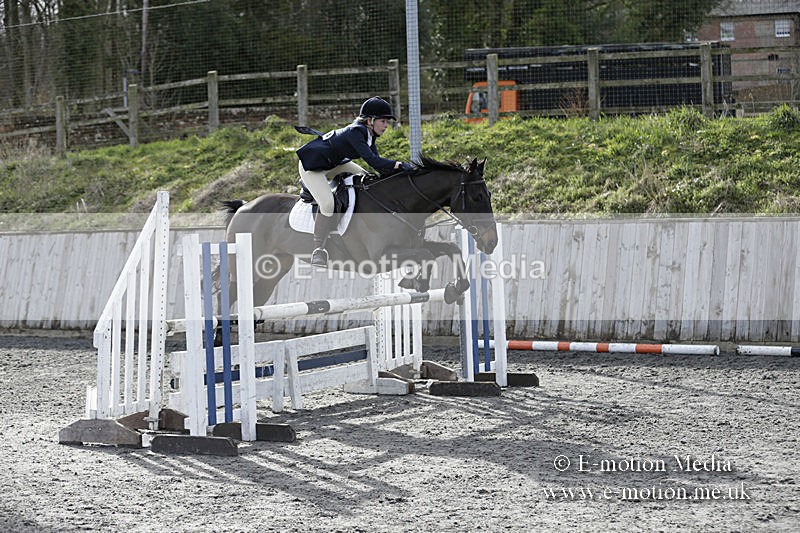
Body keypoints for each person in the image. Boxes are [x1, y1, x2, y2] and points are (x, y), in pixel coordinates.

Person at [296, 96, 413, 267]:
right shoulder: (356, 132)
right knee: (328, 203)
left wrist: (399, 174)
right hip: (312, 167)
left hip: (334, 162)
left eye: (387, 122)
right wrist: (399, 165)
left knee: (366, 178)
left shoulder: (369, 134)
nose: (386, 126)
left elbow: (378, 166)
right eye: (383, 121)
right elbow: (374, 160)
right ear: (369, 120)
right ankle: (318, 249)